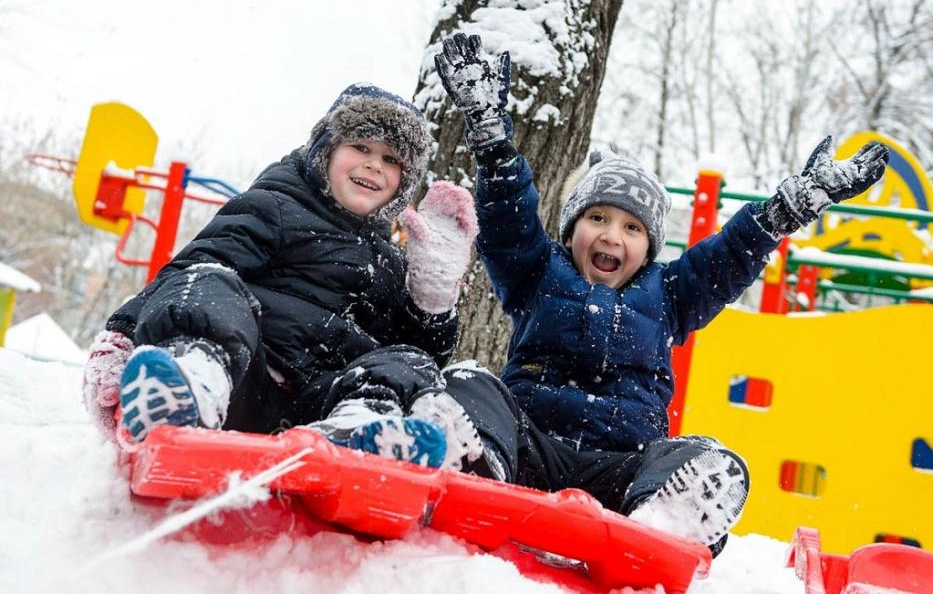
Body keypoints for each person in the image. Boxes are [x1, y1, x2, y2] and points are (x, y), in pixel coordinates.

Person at [433, 33, 889, 553]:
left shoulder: (670, 293)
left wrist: (787, 210)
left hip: (622, 473)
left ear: (649, 248)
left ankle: (664, 520)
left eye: (632, 228)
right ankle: (474, 467)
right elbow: (508, 222)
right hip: (528, 448)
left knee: (710, 457)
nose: (610, 236)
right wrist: (493, 145)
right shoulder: (538, 273)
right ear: (569, 231)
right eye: (597, 218)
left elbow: (731, 254)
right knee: (469, 382)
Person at [82, 83, 490, 472]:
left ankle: (362, 429)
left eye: (391, 160)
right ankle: (189, 383)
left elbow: (416, 357)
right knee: (212, 283)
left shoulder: (391, 264)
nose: (373, 165)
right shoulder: (275, 206)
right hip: (245, 381)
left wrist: (432, 300)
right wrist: (120, 335)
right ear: (325, 150)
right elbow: (193, 269)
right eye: (360, 146)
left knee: (409, 360)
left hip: (320, 410)